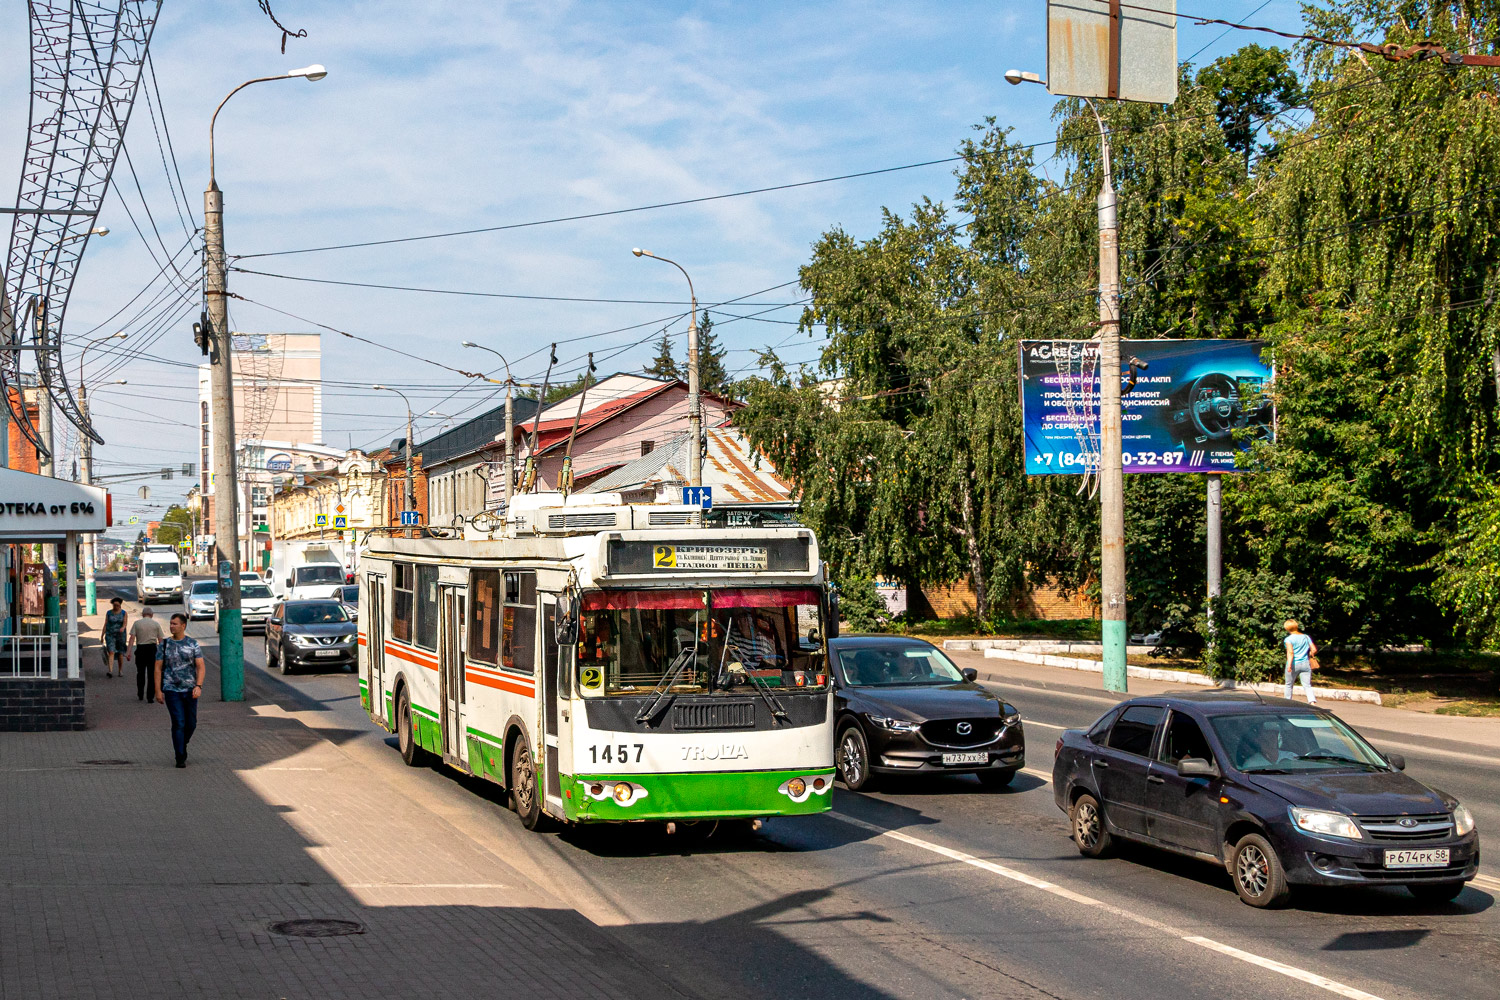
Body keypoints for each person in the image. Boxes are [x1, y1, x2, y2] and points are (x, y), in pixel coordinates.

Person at [154, 613, 206, 768]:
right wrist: (158, 691)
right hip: (171, 689)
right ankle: (180, 756)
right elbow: (157, 668)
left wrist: (198, 686)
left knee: (191, 723)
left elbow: (200, 666)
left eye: (174, 624)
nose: (171, 626)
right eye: (170, 623)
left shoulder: (192, 644)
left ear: (183, 626)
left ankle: (182, 743)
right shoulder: (164, 645)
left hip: (190, 690)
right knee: (178, 722)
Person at [128, 606, 166, 702]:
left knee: (140, 673)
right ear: (152, 615)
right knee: (152, 674)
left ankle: (140, 694)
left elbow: (132, 638)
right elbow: (160, 640)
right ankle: (150, 697)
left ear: (142, 614)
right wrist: (163, 654)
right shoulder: (156, 624)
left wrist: (128, 652)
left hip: (140, 650)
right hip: (152, 650)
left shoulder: (137, 623)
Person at [1283, 619, 1318, 704]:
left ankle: (1287, 703)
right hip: (1305, 664)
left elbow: (1290, 652)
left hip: (1294, 664)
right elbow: (1314, 649)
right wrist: (1310, 653)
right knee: (1307, 685)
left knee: (1289, 684)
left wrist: (1289, 665)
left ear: (1287, 628)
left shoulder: (1288, 639)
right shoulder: (1306, 637)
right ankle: (1312, 701)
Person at [102, 597, 128, 679]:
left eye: (117, 605)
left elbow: (125, 623)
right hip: (110, 634)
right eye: (114, 605)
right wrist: (102, 635)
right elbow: (106, 623)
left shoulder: (124, 613)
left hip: (120, 635)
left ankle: (120, 670)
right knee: (111, 651)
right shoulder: (109, 613)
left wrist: (123, 627)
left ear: (120, 605)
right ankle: (110, 671)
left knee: (120, 653)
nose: (115, 607)